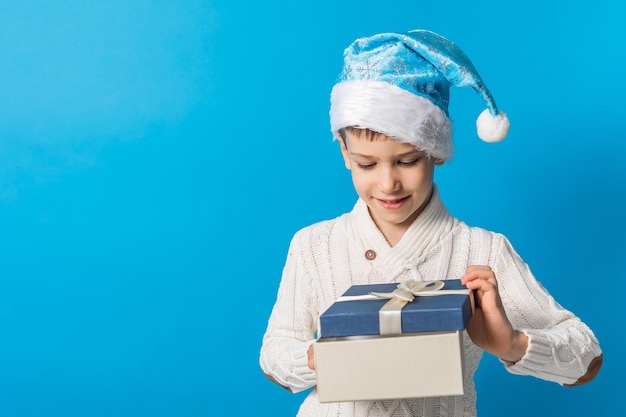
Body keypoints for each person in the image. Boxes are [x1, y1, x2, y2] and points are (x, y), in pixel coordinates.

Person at [259, 29, 602, 417]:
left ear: (435, 152)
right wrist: (320, 356)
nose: (388, 183)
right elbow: (275, 357)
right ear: (344, 153)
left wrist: (512, 343)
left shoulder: (483, 251)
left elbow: (586, 359)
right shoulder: (314, 245)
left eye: (408, 161)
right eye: (366, 164)